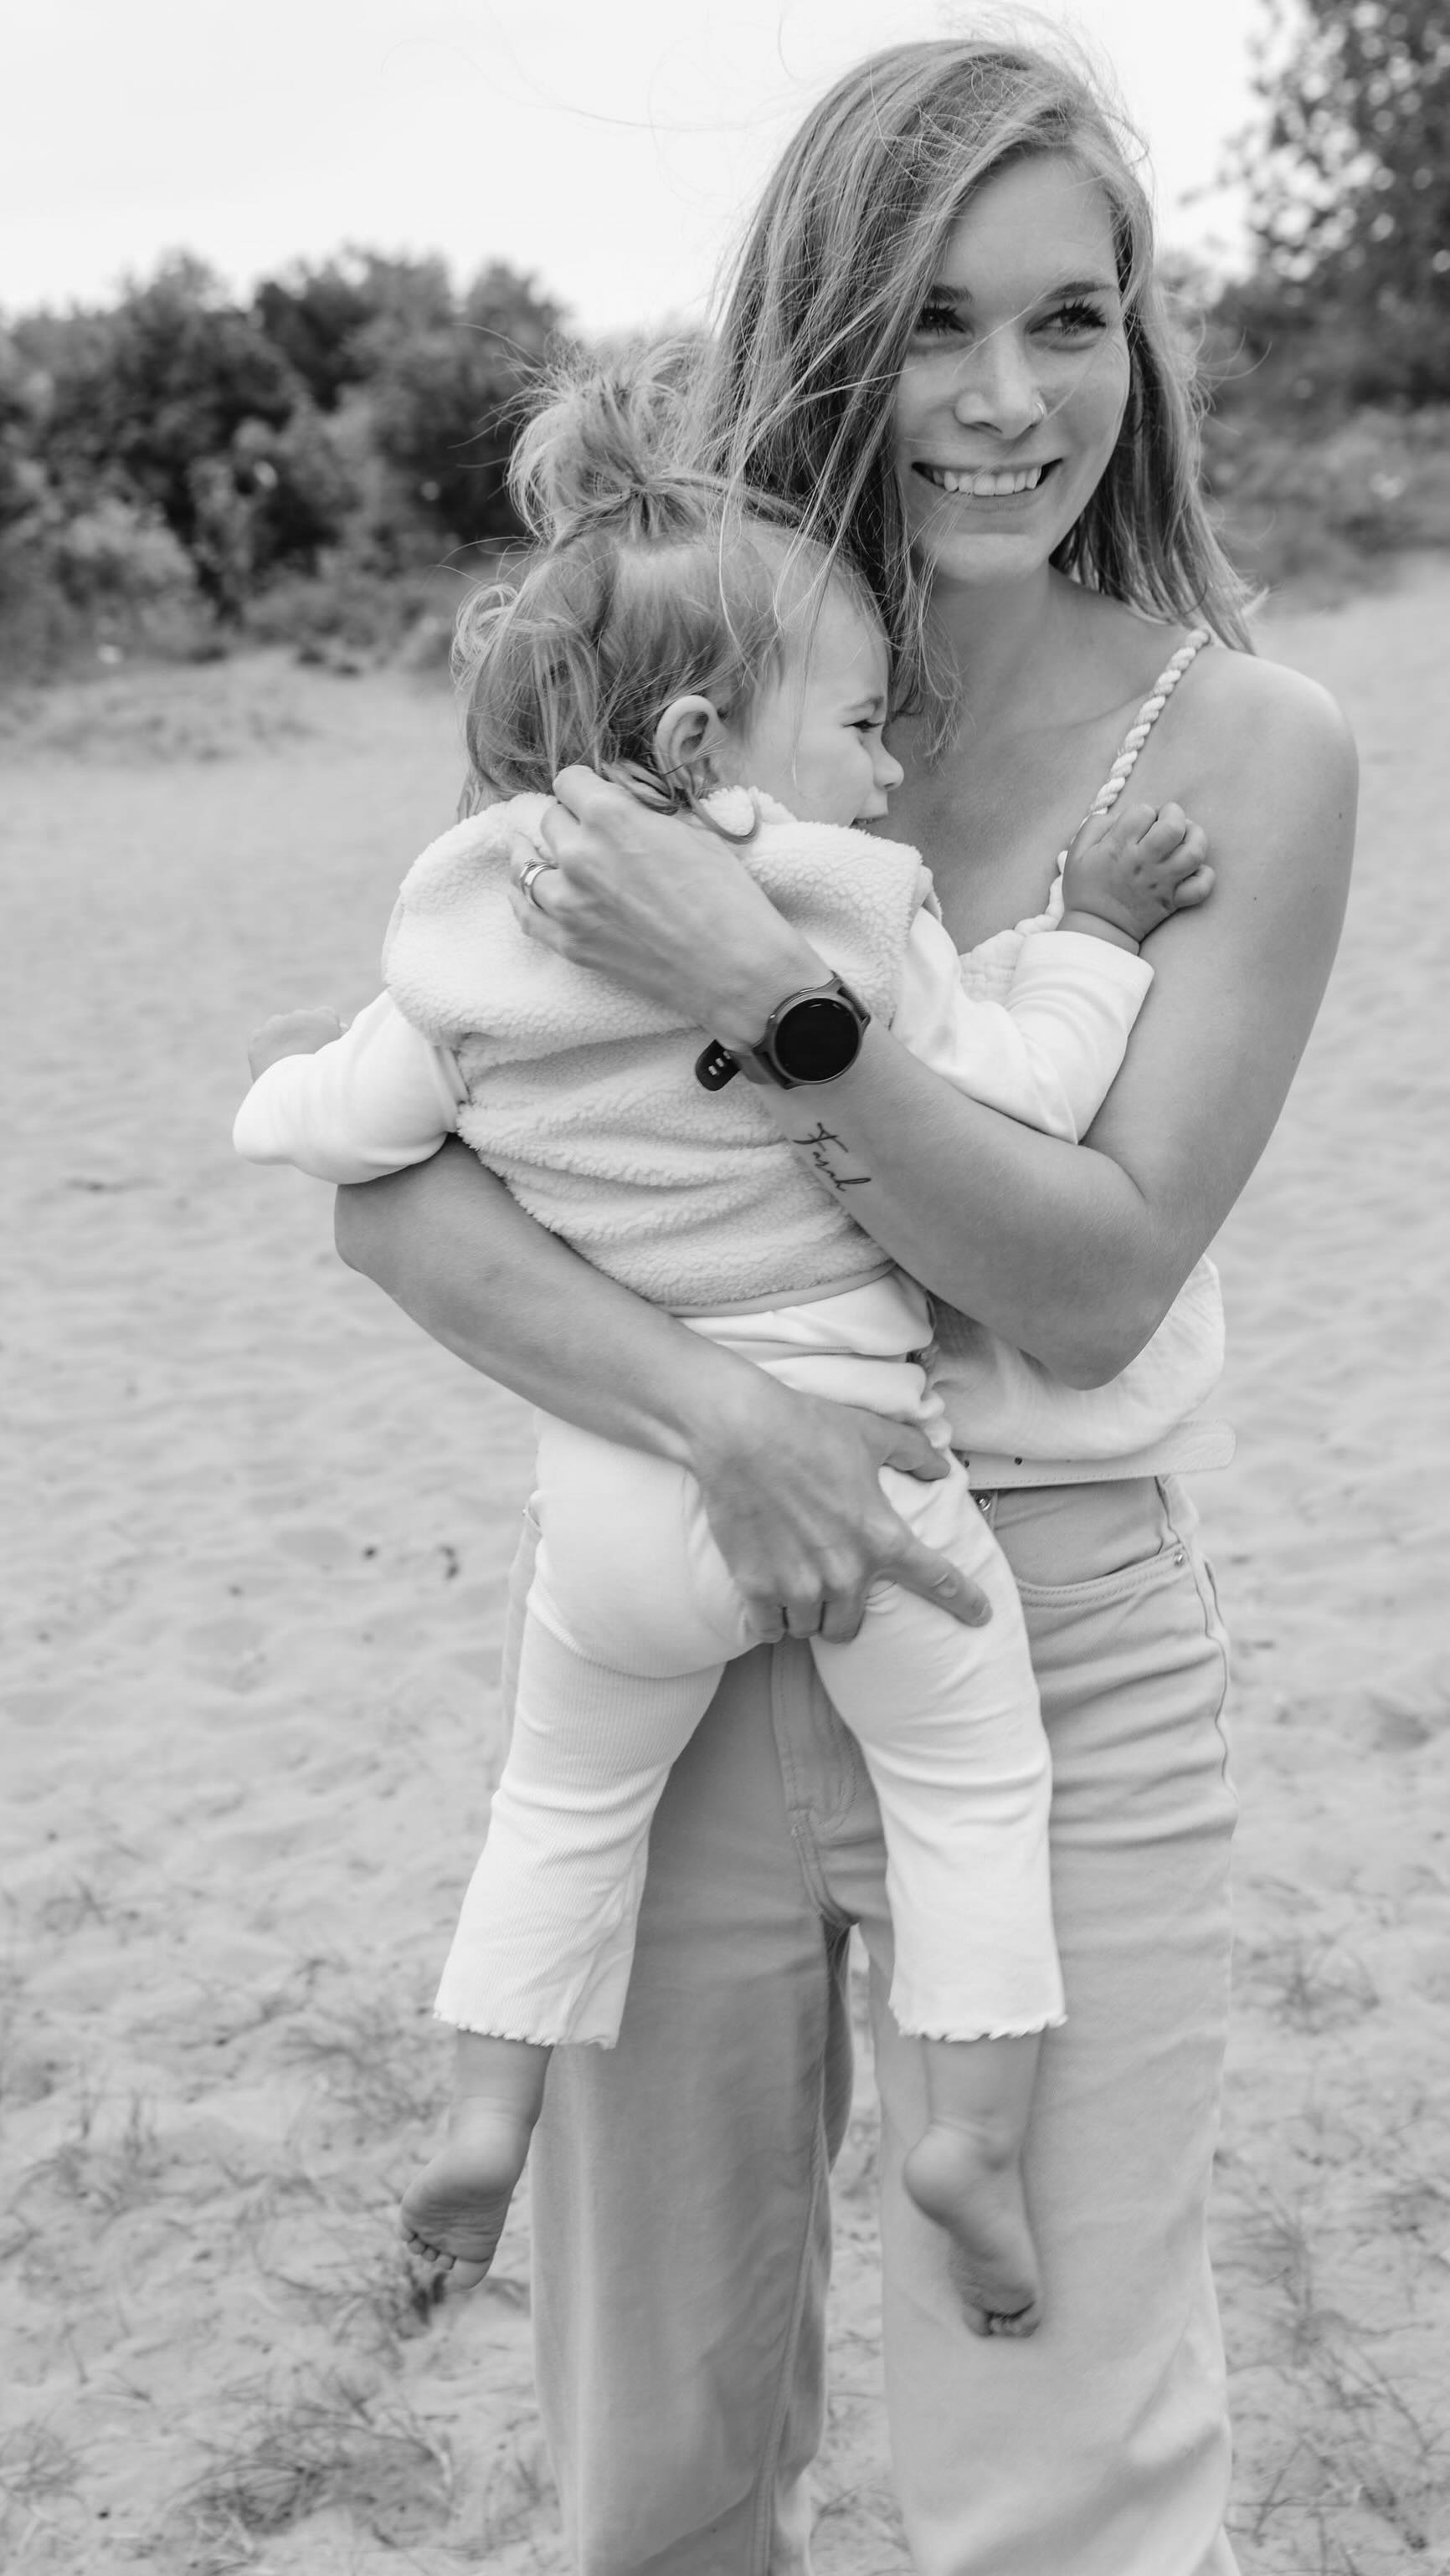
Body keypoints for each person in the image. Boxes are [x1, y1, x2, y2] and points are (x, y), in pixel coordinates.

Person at [325, 35, 1355, 2576]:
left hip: (1057, 1637)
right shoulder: (683, 651)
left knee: (1063, 2482)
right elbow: (401, 1192)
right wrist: (718, 1411)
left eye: (1074, 320)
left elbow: (1095, 1282)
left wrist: (771, 997)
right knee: (656, 2467)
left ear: (1142, 346)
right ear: (822, 326)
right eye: (932, 324)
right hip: (683, 1588)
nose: (1008, 401)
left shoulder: (1245, 743)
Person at [236, 356, 1213, 2337]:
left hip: (612, 1495)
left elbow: (352, 1137)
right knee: (971, 1789)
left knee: (558, 1805)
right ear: (712, 743)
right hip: (864, 1467)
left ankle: (484, 2115)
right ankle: (962, 2137)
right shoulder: (844, 910)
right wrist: (1092, 935)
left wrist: (279, 1108)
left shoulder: (484, 925)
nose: (881, 765)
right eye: (855, 725)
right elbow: (1017, 1091)